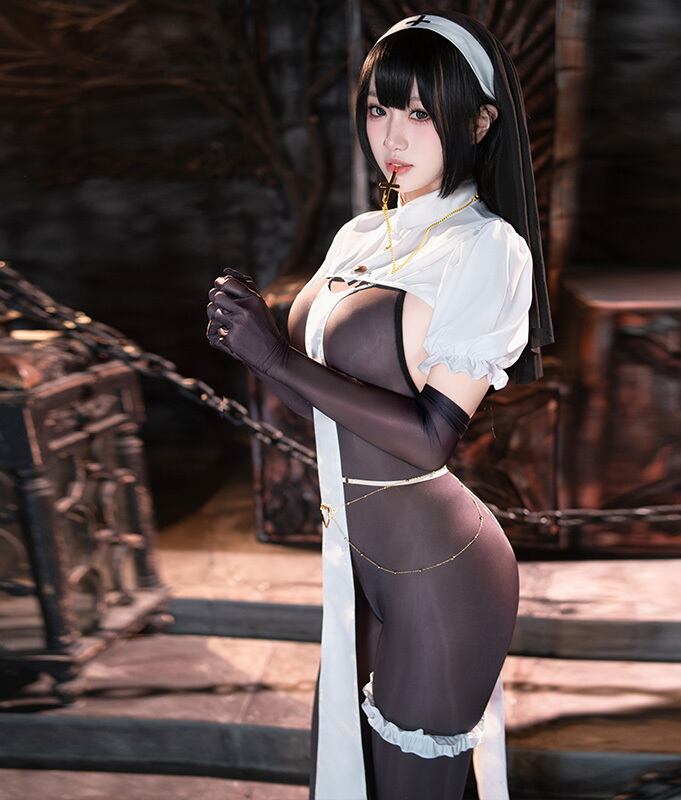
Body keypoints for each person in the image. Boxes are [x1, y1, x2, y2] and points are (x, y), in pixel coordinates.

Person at [206, 10, 554, 799]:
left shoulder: (488, 247)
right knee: (348, 777)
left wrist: (273, 356)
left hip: (445, 567)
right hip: (358, 564)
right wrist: (251, 343)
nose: (392, 136)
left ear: (480, 122)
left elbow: (431, 438)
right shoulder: (362, 232)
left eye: (421, 114)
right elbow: (324, 407)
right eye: (378, 109)